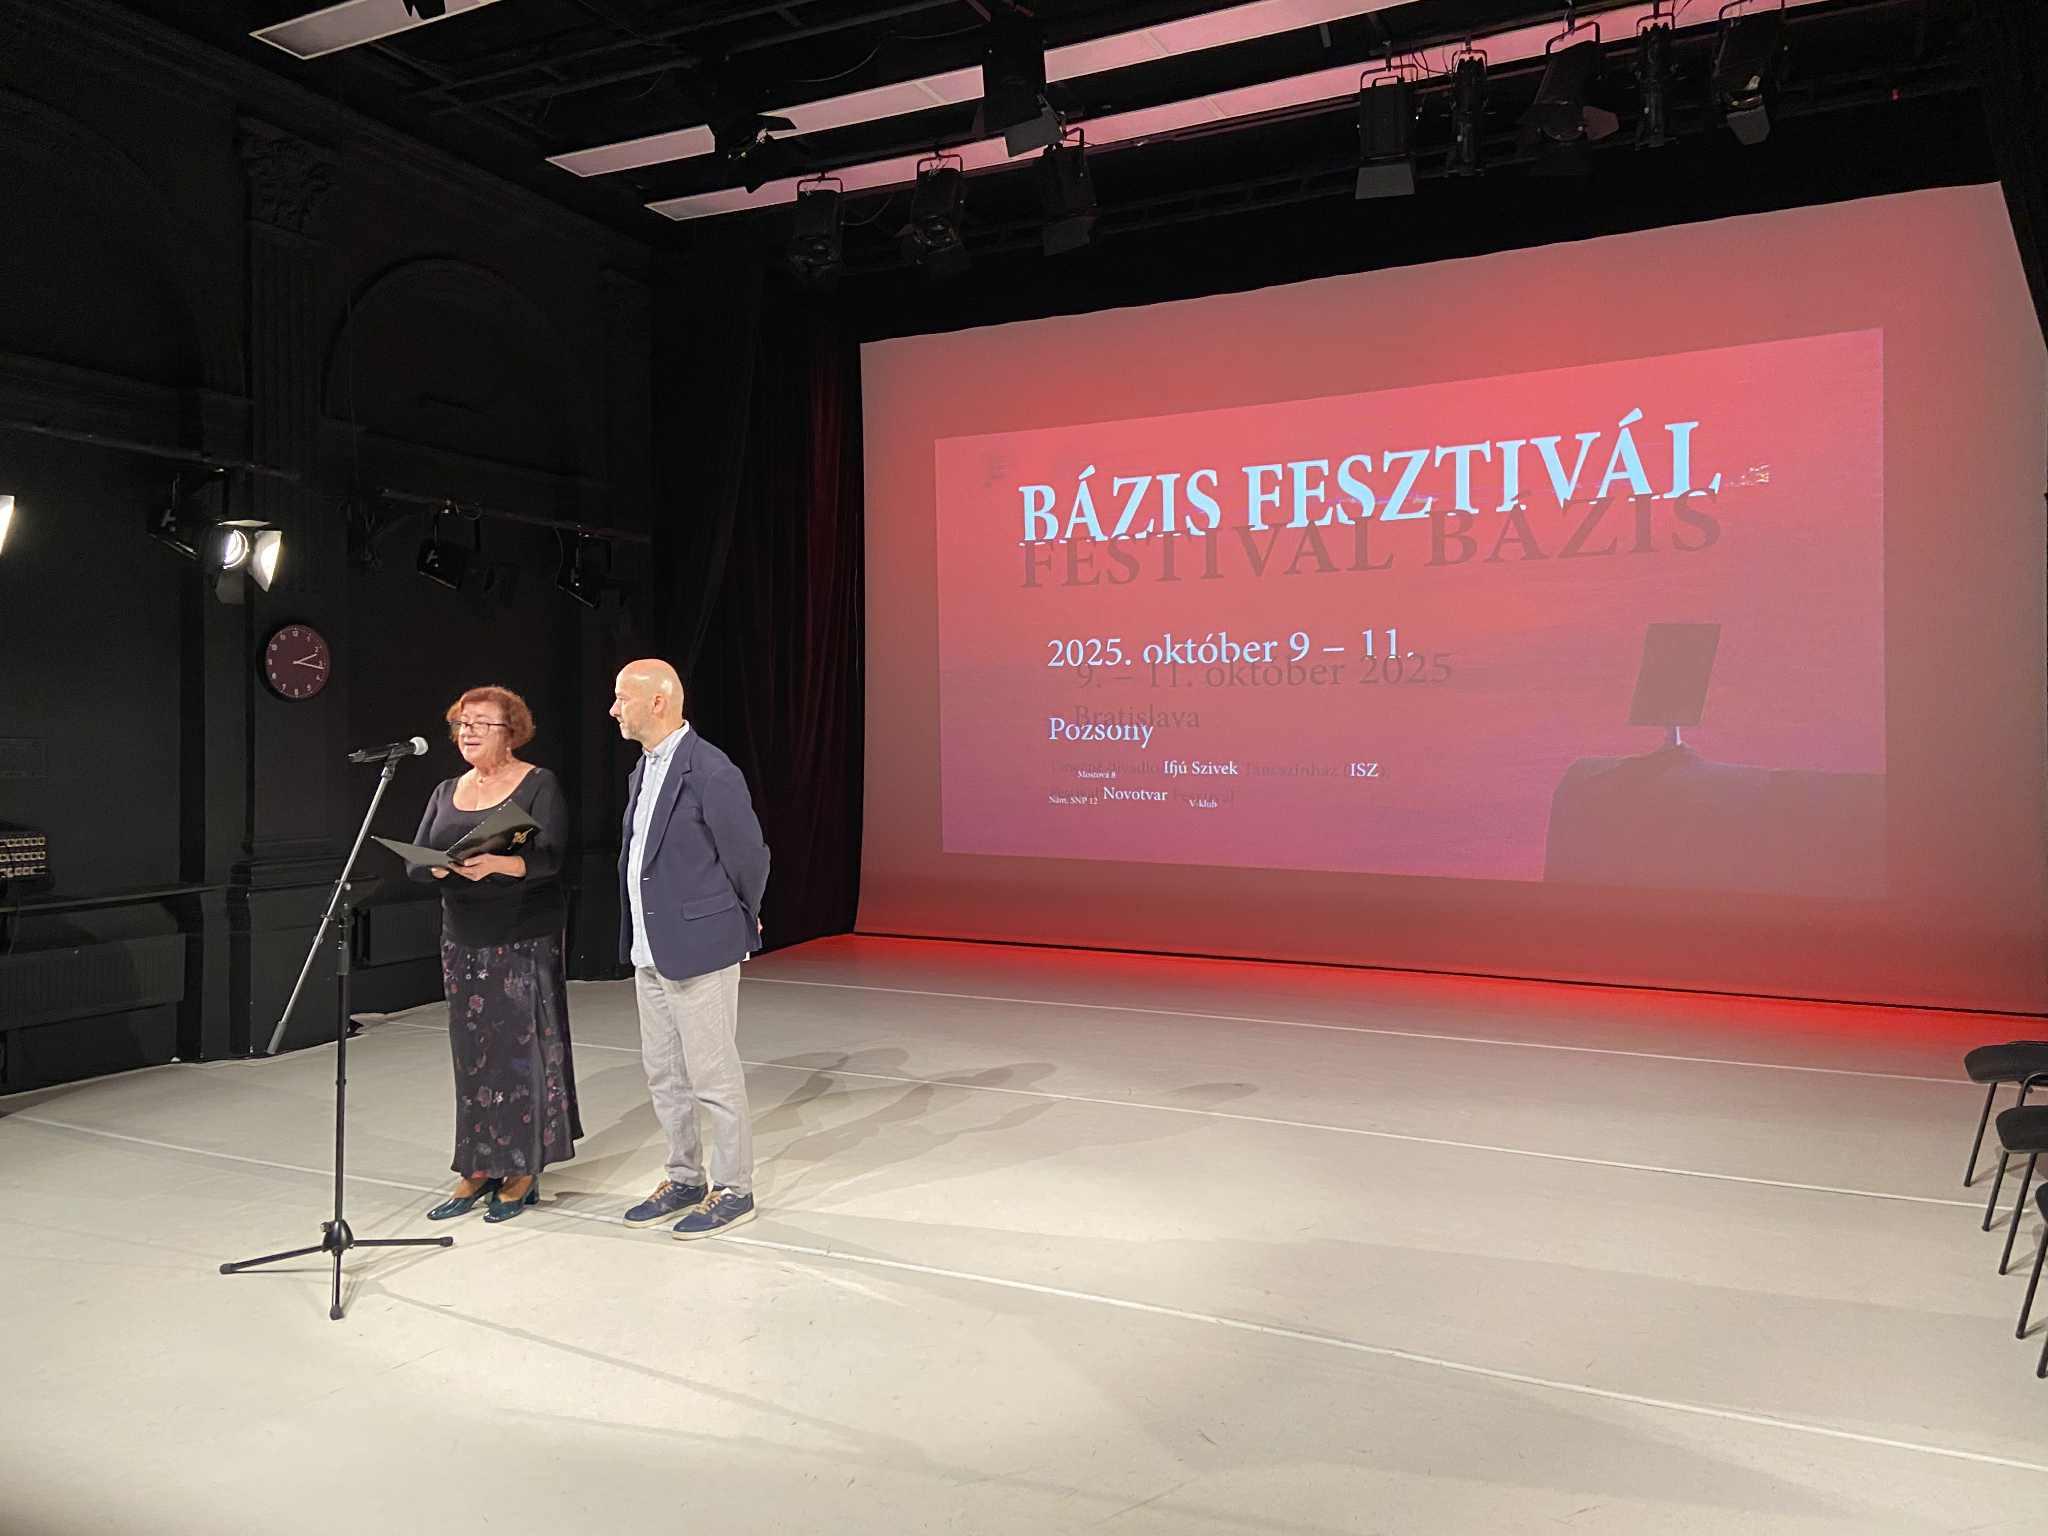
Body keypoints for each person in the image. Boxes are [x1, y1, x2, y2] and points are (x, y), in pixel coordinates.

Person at [411, 684, 583, 1224]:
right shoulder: (446, 789)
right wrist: (436, 865)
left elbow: (553, 858)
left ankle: (522, 1168)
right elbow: (416, 859)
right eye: (462, 723)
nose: (468, 732)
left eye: (481, 724)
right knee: (472, 1058)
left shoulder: (537, 784)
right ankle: (477, 1165)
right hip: (462, 936)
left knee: (520, 1055)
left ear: (511, 733)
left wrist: (498, 864)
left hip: (521, 934)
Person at [610, 658, 769, 1239]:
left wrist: (740, 918)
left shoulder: (711, 770)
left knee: (712, 1075)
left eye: (623, 697)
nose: (613, 709)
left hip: (701, 946)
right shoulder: (643, 769)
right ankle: (683, 1177)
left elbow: (749, 857)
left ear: (658, 701)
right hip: (651, 948)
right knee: (665, 1075)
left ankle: (735, 1187)